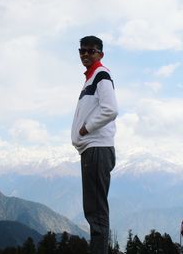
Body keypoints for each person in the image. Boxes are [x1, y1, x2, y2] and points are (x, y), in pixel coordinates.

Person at [71, 35, 118, 254]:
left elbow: (110, 109)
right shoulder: (90, 78)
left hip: (97, 149)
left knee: (96, 211)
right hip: (91, 150)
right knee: (94, 210)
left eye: (90, 51)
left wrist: (85, 128)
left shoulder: (101, 74)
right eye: (82, 51)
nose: (85, 55)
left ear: (100, 53)